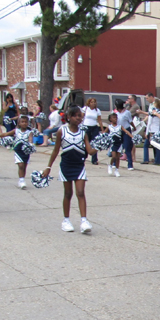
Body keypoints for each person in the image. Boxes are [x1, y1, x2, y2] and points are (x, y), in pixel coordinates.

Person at [42, 105, 97, 233]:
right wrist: (48, 167)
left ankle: (84, 221)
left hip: (79, 166)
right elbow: (56, 150)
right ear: (69, 117)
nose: (79, 118)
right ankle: (66, 220)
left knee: (80, 192)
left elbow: (90, 151)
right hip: (66, 166)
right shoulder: (62, 131)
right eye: (76, 116)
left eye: (80, 116)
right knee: (68, 193)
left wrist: (99, 145)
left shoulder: (83, 133)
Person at [0, 114, 35, 189]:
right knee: (20, 165)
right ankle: (21, 180)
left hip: (25, 151)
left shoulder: (29, 132)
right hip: (18, 150)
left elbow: (30, 139)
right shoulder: (16, 131)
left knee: (24, 166)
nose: (24, 123)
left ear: (28, 123)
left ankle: (22, 179)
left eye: (26, 122)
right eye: (22, 122)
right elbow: (6, 134)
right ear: (19, 123)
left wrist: (30, 145)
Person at [139, 94, 160, 165]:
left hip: (156, 131)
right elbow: (149, 123)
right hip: (150, 130)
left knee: (156, 146)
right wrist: (147, 132)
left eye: (154, 105)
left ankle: (157, 160)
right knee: (146, 145)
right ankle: (146, 159)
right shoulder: (151, 114)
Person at [81, 98, 103, 165]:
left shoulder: (97, 110)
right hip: (86, 126)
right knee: (86, 142)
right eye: (92, 102)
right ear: (89, 103)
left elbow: (99, 120)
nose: (93, 103)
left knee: (95, 143)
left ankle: (94, 159)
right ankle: (83, 157)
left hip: (94, 127)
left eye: (94, 102)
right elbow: (81, 117)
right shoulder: (85, 109)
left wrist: (102, 130)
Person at [114, 99, 135, 170]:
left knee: (127, 147)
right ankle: (115, 163)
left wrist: (134, 127)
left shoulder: (127, 113)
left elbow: (130, 121)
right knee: (117, 147)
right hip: (119, 131)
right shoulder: (116, 113)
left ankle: (130, 164)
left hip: (126, 130)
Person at [105, 112, 124, 177]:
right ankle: (110, 165)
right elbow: (104, 133)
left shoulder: (120, 126)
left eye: (116, 118)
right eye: (113, 118)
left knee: (118, 157)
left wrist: (132, 136)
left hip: (119, 143)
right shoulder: (109, 127)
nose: (115, 119)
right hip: (112, 143)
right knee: (114, 156)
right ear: (110, 119)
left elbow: (126, 131)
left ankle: (116, 170)